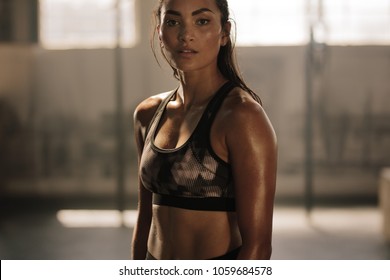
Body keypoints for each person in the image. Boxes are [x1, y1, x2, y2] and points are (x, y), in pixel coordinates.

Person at [132, 0, 277, 260]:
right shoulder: (148, 114)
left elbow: (258, 245)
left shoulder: (242, 117)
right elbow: (145, 217)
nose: (186, 35)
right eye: (173, 22)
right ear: (159, 32)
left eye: (202, 21)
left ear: (224, 33)